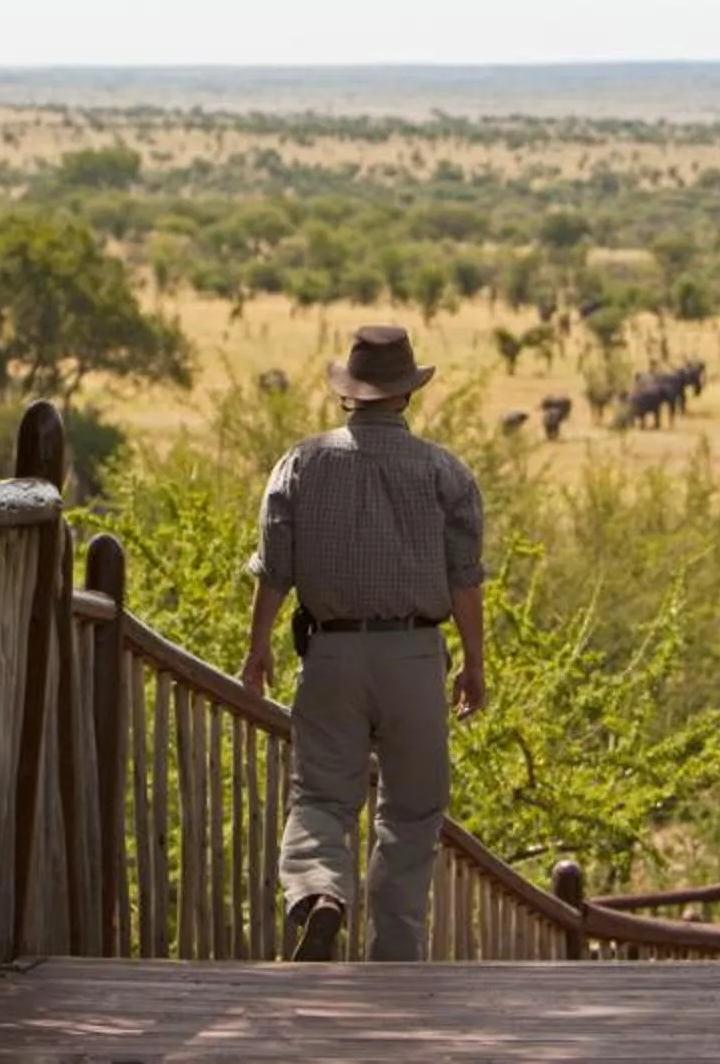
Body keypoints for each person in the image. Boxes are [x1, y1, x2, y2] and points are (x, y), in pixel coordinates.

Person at [237, 324, 487, 962]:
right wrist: (474, 666)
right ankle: (396, 958)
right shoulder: (444, 471)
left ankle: (320, 892)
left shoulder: (302, 462)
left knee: (321, 795)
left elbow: (275, 568)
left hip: (332, 654)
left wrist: (258, 646)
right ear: (407, 395)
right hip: (414, 654)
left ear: (349, 394)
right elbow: (465, 580)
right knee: (411, 814)